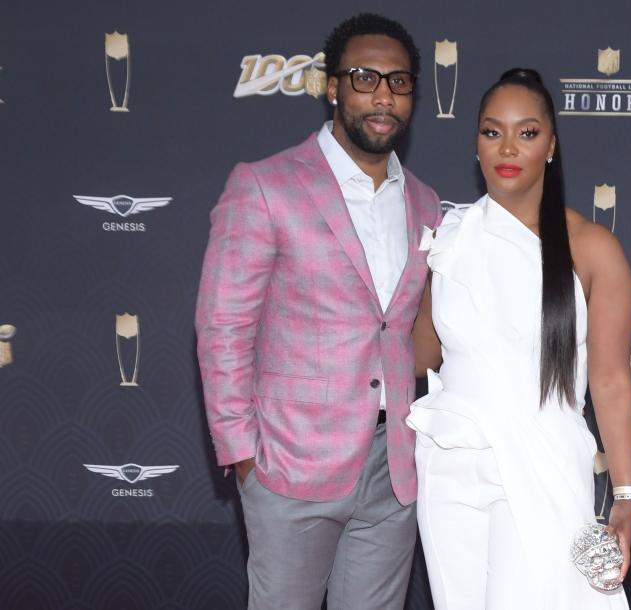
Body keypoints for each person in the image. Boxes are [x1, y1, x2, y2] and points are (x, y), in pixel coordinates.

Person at [195, 13, 441, 610]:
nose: (383, 94)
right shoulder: (264, 185)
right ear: (332, 87)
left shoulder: (425, 202)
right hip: (289, 462)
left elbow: (411, 334)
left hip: (394, 468)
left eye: (400, 81)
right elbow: (223, 326)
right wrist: (245, 456)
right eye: (364, 77)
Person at [408, 68, 631, 609]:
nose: (508, 147)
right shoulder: (450, 237)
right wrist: (420, 273)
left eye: (527, 132)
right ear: (476, 144)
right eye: (492, 132)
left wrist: (625, 495)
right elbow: (422, 355)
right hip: (449, 465)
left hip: (540, 462)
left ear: (551, 145)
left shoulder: (592, 247)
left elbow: (609, 379)